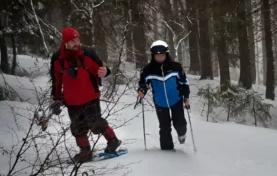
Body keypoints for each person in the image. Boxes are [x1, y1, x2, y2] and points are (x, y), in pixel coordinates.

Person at [50, 27, 121, 163]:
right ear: (65, 42)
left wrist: (105, 72)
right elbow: (56, 81)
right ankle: (85, 151)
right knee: (77, 127)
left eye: (78, 39)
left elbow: (104, 69)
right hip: (71, 101)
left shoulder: (87, 53)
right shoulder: (57, 59)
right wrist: (57, 99)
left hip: (90, 98)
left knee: (96, 123)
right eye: (73, 41)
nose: (77, 43)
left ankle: (113, 141)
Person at [137, 40, 190, 150]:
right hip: (160, 102)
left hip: (176, 99)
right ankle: (167, 151)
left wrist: (186, 96)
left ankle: (182, 134)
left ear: (166, 54)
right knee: (164, 127)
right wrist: (142, 90)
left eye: (162, 55)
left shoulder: (176, 67)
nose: (160, 57)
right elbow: (143, 83)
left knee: (180, 122)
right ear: (153, 56)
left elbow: (184, 83)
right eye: (157, 55)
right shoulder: (148, 70)